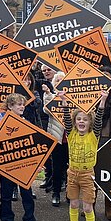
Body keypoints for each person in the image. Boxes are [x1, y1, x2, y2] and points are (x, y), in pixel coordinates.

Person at [61, 89, 108, 221]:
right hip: (72, 174)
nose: (81, 122)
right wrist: (63, 101)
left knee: (87, 206)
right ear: (75, 122)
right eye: (79, 119)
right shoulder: (71, 134)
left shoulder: (93, 135)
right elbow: (66, 118)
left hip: (88, 175)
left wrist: (102, 101)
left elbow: (100, 118)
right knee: (73, 204)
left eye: (85, 120)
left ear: (90, 123)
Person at [0, 93, 36, 221]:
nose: (22, 107)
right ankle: (7, 219)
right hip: (6, 163)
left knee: (27, 193)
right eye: (19, 104)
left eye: (23, 104)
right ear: (10, 106)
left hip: (24, 164)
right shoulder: (0, 119)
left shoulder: (26, 121)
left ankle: (30, 219)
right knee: (6, 194)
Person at [42, 71, 68, 207]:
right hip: (57, 138)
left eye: (62, 80)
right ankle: (56, 193)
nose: (59, 83)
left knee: (70, 168)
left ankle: (70, 194)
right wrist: (47, 94)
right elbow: (46, 110)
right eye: (57, 81)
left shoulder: (73, 98)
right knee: (57, 167)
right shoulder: (51, 97)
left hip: (71, 139)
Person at [97, 66, 111, 221]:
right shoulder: (89, 95)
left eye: (108, 76)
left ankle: (109, 206)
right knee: (93, 173)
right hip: (94, 139)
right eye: (102, 76)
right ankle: (90, 203)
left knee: (110, 174)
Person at [39, 64, 56, 190]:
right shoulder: (41, 83)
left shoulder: (61, 80)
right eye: (44, 70)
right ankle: (48, 176)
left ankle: (58, 180)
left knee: (57, 155)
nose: (46, 72)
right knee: (46, 152)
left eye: (48, 69)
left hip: (57, 124)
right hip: (43, 121)